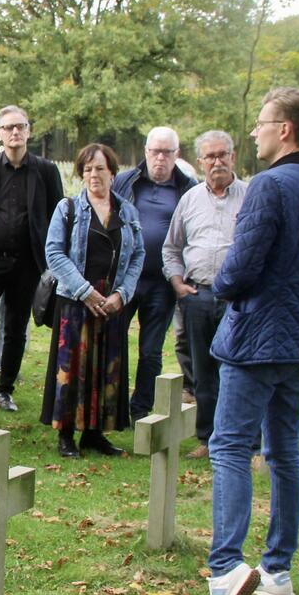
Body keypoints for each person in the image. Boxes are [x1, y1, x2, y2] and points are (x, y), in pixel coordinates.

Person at [200, 88, 299, 595]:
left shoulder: (268, 186)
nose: (255, 133)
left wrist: (215, 286)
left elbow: (240, 268)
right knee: (284, 452)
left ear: (286, 129)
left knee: (230, 446)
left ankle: (224, 569)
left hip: (258, 338)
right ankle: (277, 570)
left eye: (263, 123)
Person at [40, 143, 145, 459]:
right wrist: (85, 291)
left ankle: (94, 433)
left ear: (113, 172)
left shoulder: (127, 211)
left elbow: (138, 254)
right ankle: (66, 434)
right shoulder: (68, 208)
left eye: (100, 168)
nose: (93, 175)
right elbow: (55, 253)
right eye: (87, 169)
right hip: (75, 300)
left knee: (105, 368)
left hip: (111, 302)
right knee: (72, 368)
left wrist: (121, 294)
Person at [0, 105, 64, 413]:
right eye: (8, 128)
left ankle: (5, 389)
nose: (15, 132)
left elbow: (58, 214)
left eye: (20, 126)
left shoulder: (46, 171)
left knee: (16, 327)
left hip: (26, 263)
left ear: (29, 131)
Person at [162, 131, 248, 458]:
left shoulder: (251, 196)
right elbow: (172, 247)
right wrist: (177, 283)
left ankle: (241, 439)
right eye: (209, 157)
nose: (216, 162)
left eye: (222, 155)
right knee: (203, 370)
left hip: (237, 299)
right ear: (200, 162)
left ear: (233, 156)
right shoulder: (190, 199)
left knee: (237, 368)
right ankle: (207, 438)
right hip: (198, 294)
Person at [111, 127, 196, 420]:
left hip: (162, 282)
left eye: (166, 152)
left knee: (150, 350)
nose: (160, 158)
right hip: (125, 280)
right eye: (154, 151)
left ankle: (140, 409)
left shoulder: (188, 188)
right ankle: (115, 404)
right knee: (115, 342)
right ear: (145, 151)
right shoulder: (125, 181)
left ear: (177, 154)